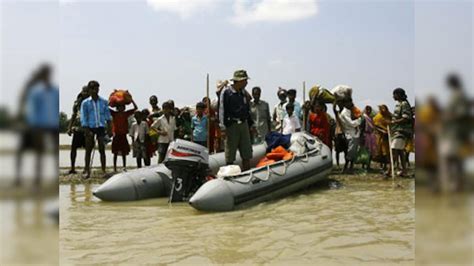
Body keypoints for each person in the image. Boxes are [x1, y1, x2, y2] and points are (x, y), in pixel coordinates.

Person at [15, 64, 59, 187]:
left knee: (50, 151)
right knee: (30, 151)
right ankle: (28, 178)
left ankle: (47, 179)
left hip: (50, 123)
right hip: (35, 124)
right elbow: (26, 105)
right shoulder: (32, 87)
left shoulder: (53, 89)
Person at [219, 69, 253, 170]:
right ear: (239, 81)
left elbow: (247, 109)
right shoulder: (226, 92)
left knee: (247, 153)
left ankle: (247, 173)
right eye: (245, 80)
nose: (246, 83)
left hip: (243, 124)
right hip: (231, 125)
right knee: (230, 154)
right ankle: (229, 174)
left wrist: (251, 124)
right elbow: (221, 110)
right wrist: (223, 127)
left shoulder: (243, 93)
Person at [80, 80, 112, 179]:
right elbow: (84, 118)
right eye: (93, 89)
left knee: (102, 149)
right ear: (89, 90)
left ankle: (103, 170)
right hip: (90, 128)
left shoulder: (103, 102)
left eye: (97, 89)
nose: (96, 91)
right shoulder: (85, 103)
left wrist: (110, 129)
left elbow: (108, 117)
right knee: (88, 149)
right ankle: (87, 170)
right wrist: (86, 130)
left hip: (101, 128)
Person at [334, 99, 362, 174]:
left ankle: (350, 168)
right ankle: (346, 167)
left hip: (353, 133)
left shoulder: (352, 111)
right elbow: (351, 123)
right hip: (346, 134)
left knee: (351, 151)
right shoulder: (343, 113)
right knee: (348, 151)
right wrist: (359, 120)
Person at [67, 85, 89, 174]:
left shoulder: (91, 103)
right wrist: (69, 128)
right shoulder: (77, 103)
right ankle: (72, 168)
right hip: (78, 129)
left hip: (88, 129)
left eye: (87, 91)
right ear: (82, 92)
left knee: (88, 149)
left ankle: (86, 168)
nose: (85, 93)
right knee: (73, 149)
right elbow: (73, 115)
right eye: (84, 91)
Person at [390, 88, 413, 177]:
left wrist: (394, 122)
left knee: (394, 149)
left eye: (394, 94)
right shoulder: (399, 104)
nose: (393, 96)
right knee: (399, 151)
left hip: (402, 131)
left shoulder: (404, 104)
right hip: (397, 130)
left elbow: (406, 118)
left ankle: (389, 171)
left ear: (398, 95)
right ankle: (404, 171)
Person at [110, 100, 137, 172]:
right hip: (116, 134)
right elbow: (106, 108)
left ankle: (124, 166)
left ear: (124, 107)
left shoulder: (126, 114)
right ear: (117, 108)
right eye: (119, 107)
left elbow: (135, 108)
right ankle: (114, 168)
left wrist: (132, 101)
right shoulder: (114, 113)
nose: (121, 108)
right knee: (115, 152)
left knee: (124, 152)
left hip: (123, 135)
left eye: (122, 107)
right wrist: (110, 102)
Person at [373, 104, 392, 174]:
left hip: (388, 136)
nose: (383, 110)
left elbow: (391, 123)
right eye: (382, 109)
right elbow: (375, 126)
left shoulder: (389, 115)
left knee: (387, 152)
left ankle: (387, 165)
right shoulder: (377, 117)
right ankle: (381, 166)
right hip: (380, 136)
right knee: (380, 150)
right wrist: (382, 131)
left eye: (384, 109)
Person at [361, 105, 377, 170]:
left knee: (370, 151)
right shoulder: (363, 117)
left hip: (371, 135)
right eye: (367, 110)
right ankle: (363, 165)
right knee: (365, 151)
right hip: (365, 135)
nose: (368, 111)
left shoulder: (371, 118)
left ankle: (368, 165)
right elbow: (361, 126)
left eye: (369, 110)